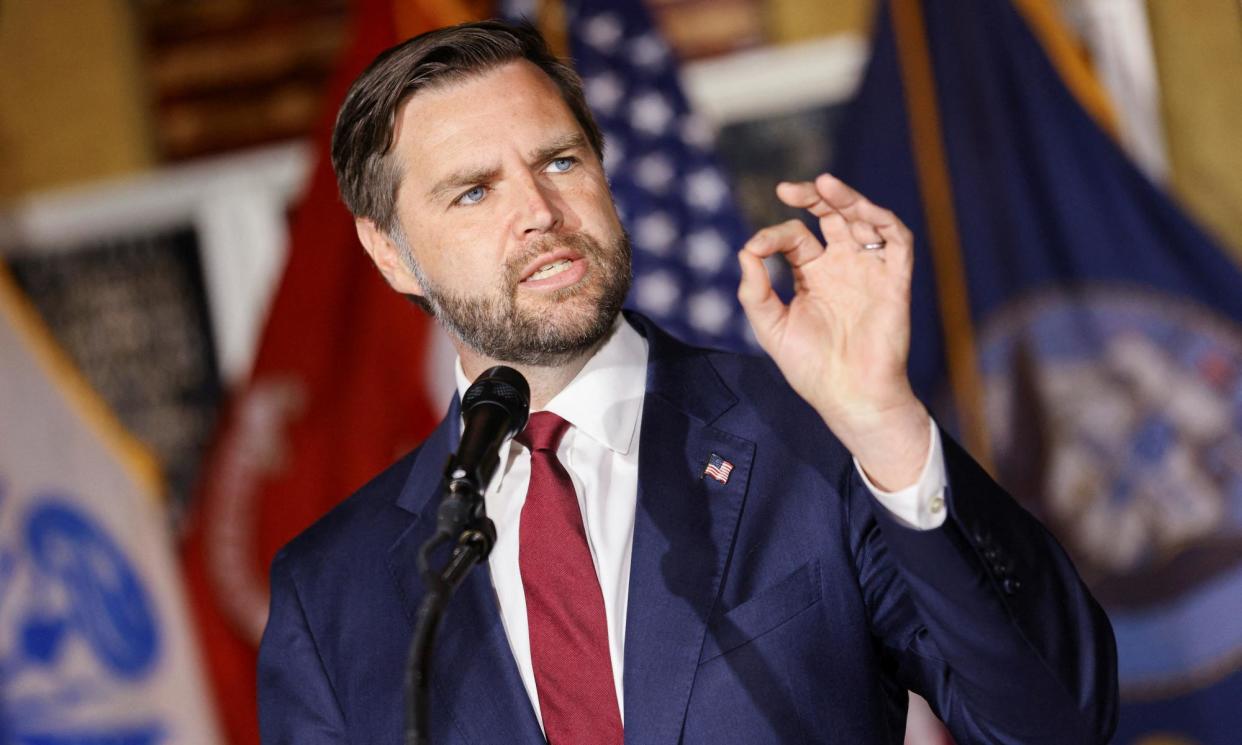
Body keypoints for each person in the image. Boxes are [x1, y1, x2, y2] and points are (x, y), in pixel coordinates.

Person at [257, 19, 1117, 745]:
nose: (541, 213)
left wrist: (886, 424)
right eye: (474, 192)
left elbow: (1055, 722)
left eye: (559, 162)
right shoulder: (331, 590)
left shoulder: (815, 434)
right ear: (386, 250)